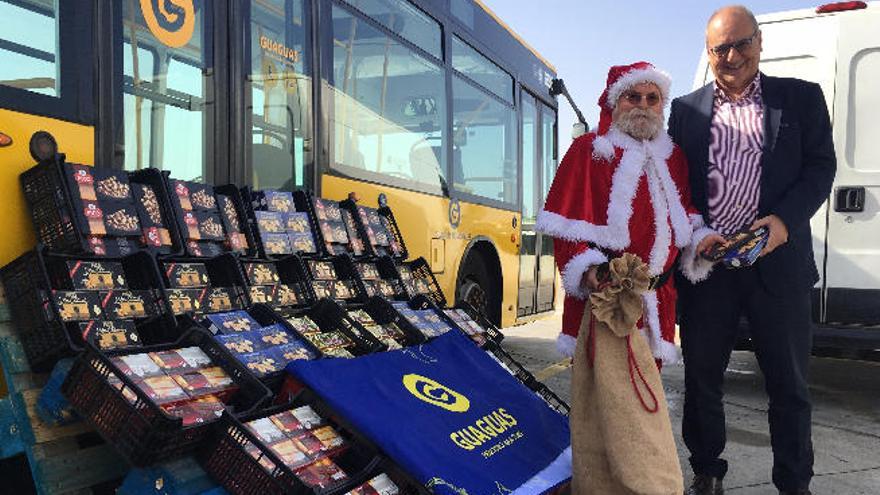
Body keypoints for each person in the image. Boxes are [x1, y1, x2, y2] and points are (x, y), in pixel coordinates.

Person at [667, 6, 836, 495]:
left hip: (777, 265)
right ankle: (706, 471)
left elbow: (820, 168)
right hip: (709, 267)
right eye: (721, 48)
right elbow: (677, 186)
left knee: (789, 387)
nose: (733, 55)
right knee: (701, 380)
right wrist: (697, 232)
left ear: (760, 43)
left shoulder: (800, 99)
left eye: (742, 43)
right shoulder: (686, 110)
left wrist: (783, 222)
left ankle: (794, 483)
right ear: (709, 52)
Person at [537, 62, 718, 494]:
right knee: (613, 407)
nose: (642, 106)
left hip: (658, 305)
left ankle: (617, 483)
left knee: (637, 401)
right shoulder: (589, 150)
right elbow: (566, 230)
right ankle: (637, 485)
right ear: (614, 102)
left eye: (651, 98)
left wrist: (703, 241)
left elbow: (687, 216)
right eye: (632, 97)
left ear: (662, 105)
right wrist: (595, 271)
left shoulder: (672, 156)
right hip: (609, 305)